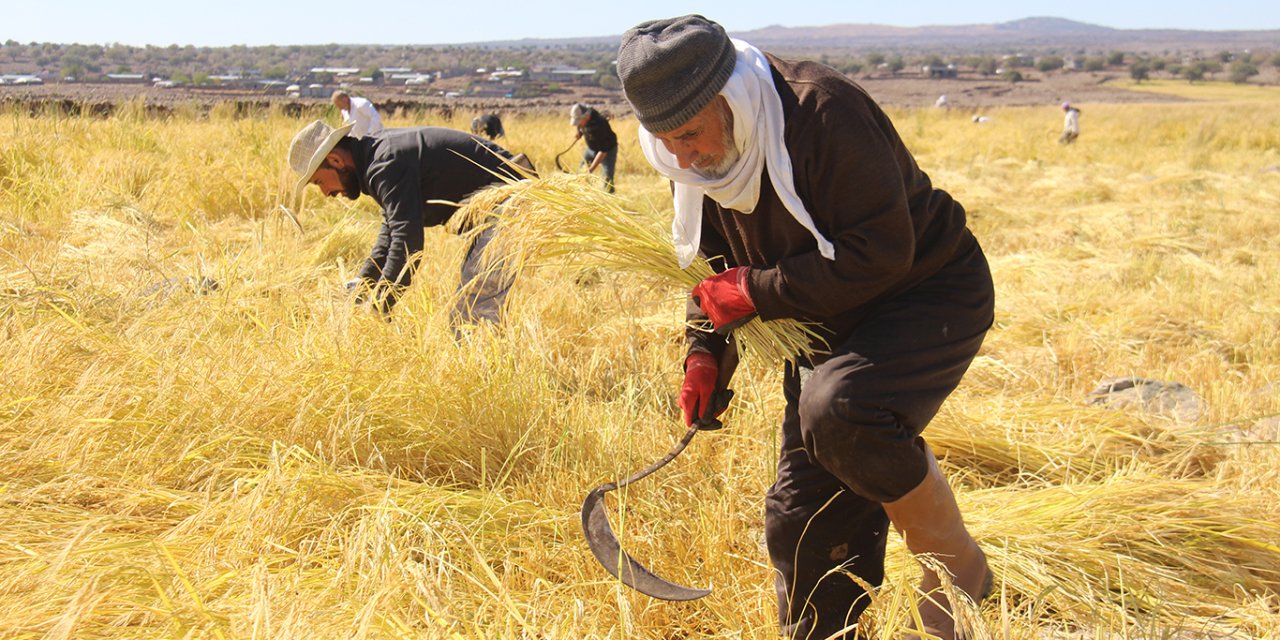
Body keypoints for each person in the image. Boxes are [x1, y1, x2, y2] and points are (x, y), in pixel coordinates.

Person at [617, 15, 995, 640]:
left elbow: (880, 251)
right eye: (665, 141)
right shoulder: (694, 154)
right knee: (800, 515)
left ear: (727, 98)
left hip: (925, 291)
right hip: (821, 317)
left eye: (689, 134)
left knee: (841, 409)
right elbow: (716, 265)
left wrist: (755, 292)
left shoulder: (822, 114)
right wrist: (705, 351)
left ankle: (956, 566)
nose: (682, 156)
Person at [287, 120, 534, 324]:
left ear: (336, 161)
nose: (326, 193)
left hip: (510, 205)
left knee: (472, 317)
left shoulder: (385, 163)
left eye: (320, 182)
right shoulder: (377, 155)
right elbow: (391, 233)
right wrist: (362, 286)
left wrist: (380, 306)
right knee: (473, 312)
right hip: (503, 204)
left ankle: (487, 378)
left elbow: (407, 243)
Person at [569, 102, 619, 193]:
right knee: (581, 172)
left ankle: (609, 199)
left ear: (586, 117)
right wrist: (579, 132)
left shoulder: (600, 125)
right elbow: (579, 123)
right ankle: (583, 195)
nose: (578, 123)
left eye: (579, 121)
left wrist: (591, 169)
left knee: (607, 177)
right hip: (591, 148)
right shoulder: (586, 115)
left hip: (608, 149)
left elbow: (603, 151)